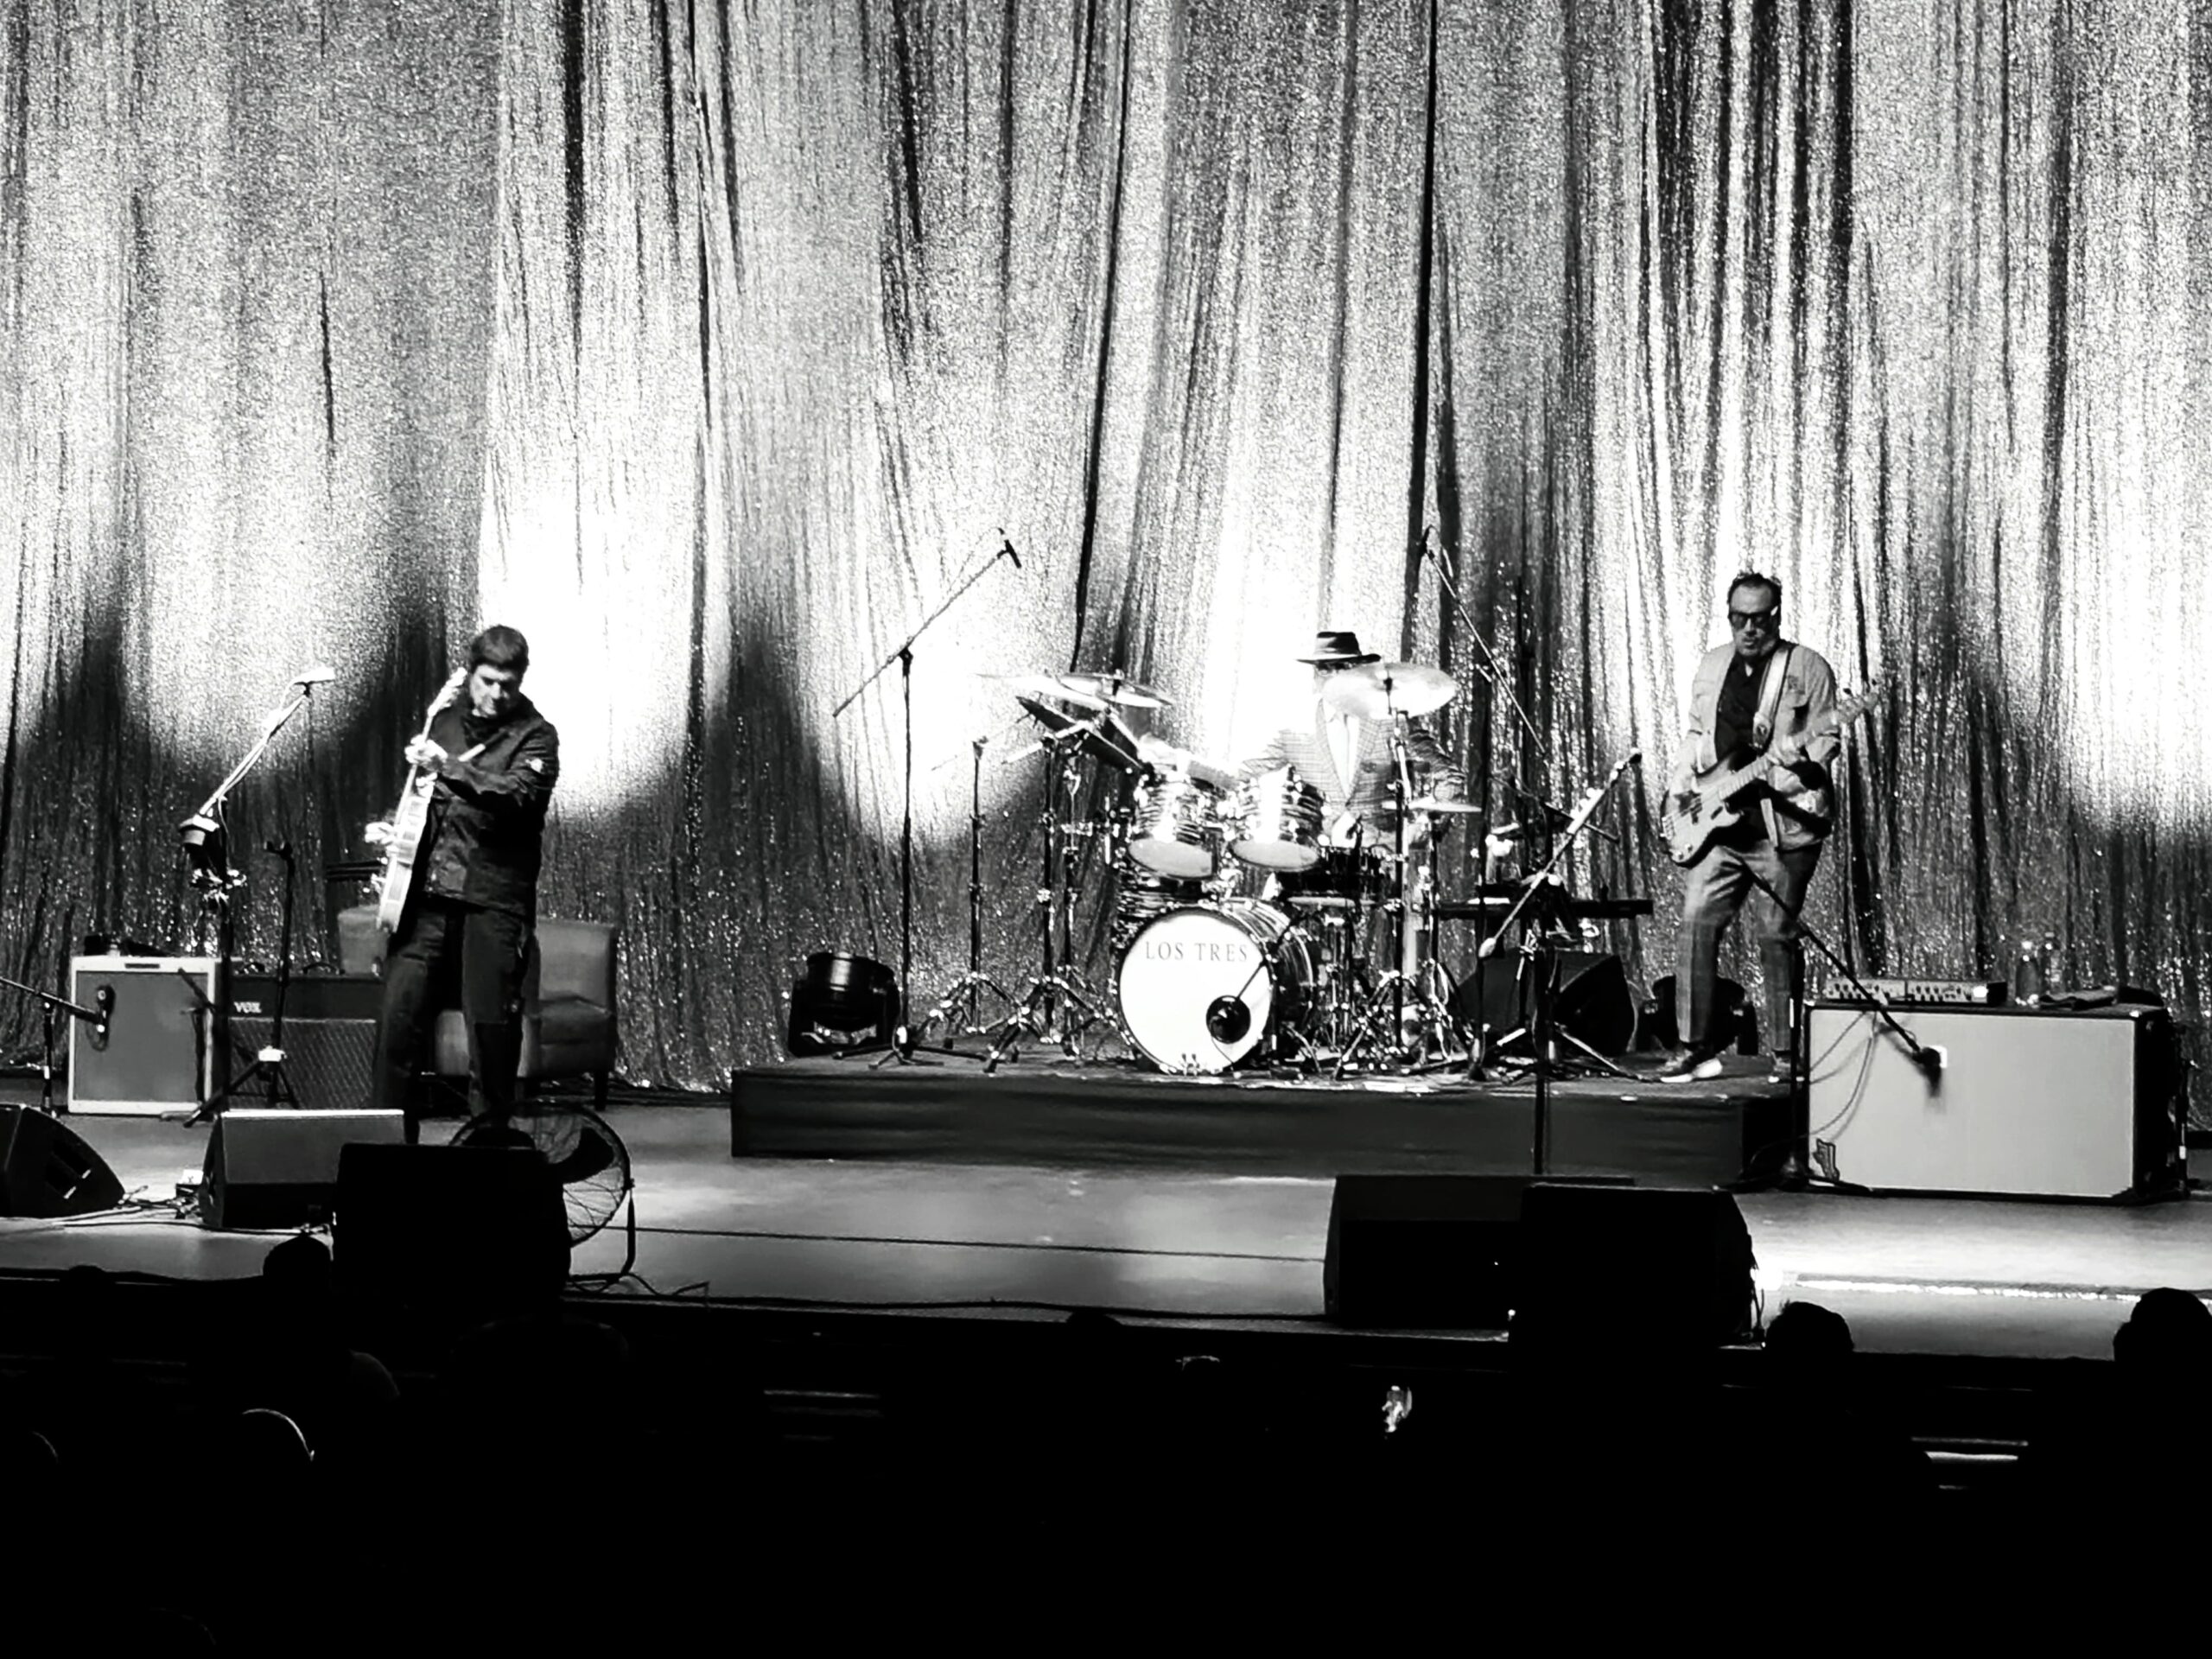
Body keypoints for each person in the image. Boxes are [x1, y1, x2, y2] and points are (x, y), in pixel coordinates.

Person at [369, 625, 559, 1141]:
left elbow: (516, 797)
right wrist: (396, 826)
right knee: (396, 1034)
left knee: (490, 1043)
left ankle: (487, 1168)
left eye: (508, 683)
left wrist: (447, 767)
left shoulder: (536, 736)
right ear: (470, 674)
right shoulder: (445, 725)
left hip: (491, 906)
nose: (497, 694)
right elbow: (424, 800)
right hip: (427, 903)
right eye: (488, 681)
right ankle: (385, 1167)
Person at [1654, 573, 1838, 1083]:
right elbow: (1695, 735)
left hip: (1784, 826)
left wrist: (1790, 765)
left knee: (1775, 934)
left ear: (1776, 615)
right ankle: (1692, 1044)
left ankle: (1785, 1052)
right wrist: (1678, 791)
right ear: (1729, 616)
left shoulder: (1807, 669)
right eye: (1740, 618)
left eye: (1760, 618)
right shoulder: (1713, 664)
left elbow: (1823, 750)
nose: (1750, 628)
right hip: (1719, 824)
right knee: (1695, 922)